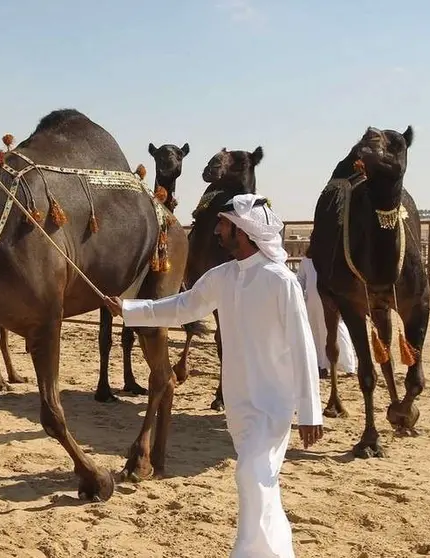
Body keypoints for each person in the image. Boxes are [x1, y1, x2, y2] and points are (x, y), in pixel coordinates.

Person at [105, 193, 323, 558]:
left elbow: (303, 348)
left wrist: (310, 412)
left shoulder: (281, 282)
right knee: (259, 481)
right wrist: (129, 309)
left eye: (223, 225)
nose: (217, 231)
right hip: (238, 404)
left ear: (243, 231)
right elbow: (181, 308)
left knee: (251, 476)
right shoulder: (222, 277)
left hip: (273, 403)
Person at [296, 256, 357, 377]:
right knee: (316, 334)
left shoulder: (332, 258)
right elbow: (300, 280)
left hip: (331, 302)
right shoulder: (307, 261)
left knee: (338, 331)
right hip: (312, 304)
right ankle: (321, 365)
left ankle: (348, 366)